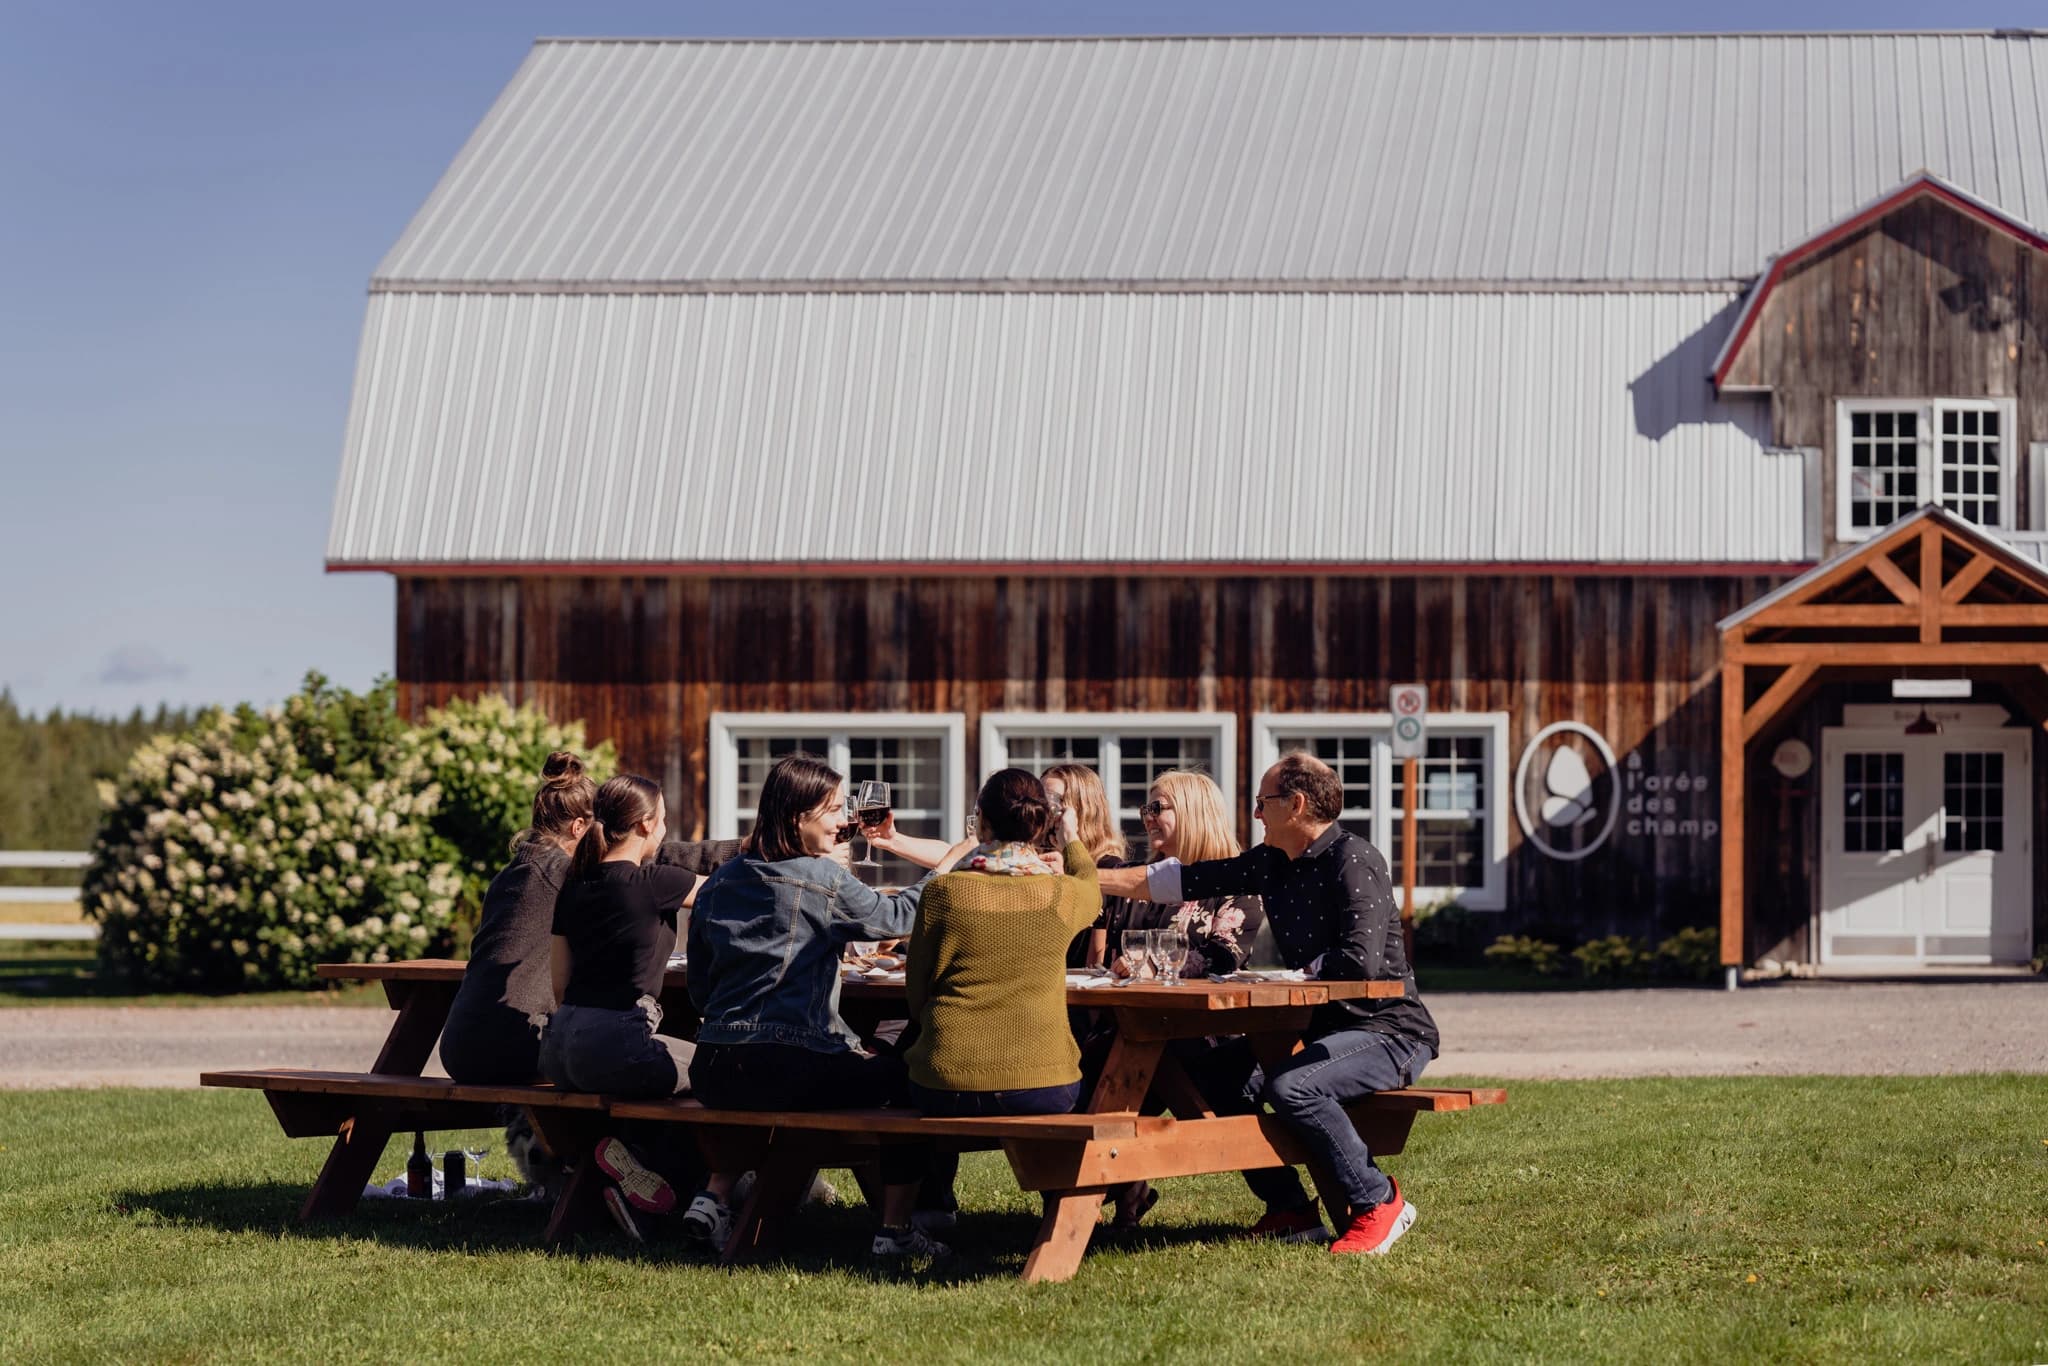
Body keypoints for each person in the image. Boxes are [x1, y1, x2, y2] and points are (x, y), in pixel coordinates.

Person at [1097, 751, 1440, 1257]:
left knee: (1291, 1086)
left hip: (1390, 1033)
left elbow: (1360, 962)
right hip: (1322, 1030)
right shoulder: (1271, 862)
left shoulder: (1354, 859)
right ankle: (1291, 1210)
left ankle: (1378, 1200)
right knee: (1206, 1069)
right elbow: (1176, 881)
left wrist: (1293, 975)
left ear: (1296, 805)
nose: (1256, 814)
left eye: (1263, 803)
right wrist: (1081, 881)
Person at [684, 754, 970, 1262]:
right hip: (789, 1068)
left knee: (861, 1063)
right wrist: (949, 866)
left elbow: (701, 992)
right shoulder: (821, 879)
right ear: (799, 816)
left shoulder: (721, 881)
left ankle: (715, 1195)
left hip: (716, 1068)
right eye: (835, 809)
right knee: (912, 1080)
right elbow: (899, 916)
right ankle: (898, 1227)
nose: (845, 822)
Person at [441, 751, 739, 1088]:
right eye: (602, 828)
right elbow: (644, 861)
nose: (608, 836)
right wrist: (739, 850)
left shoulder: (513, 874)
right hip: (514, 1047)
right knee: (654, 1054)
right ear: (581, 827)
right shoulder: (562, 873)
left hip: (460, 1047)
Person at [539, 772, 710, 1238]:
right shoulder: (656, 881)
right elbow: (734, 894)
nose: (665, 831)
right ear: (645, 825)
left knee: (660, 1083)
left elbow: (558, 984)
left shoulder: (574, 885)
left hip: (560, 1048)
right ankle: (685, 1190)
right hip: (616, 1044)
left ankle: (634, 1171)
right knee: (722, 1072)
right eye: (664, 822)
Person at [903, 768, 1102, 1117]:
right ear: (1041, 825)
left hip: (945, 1082)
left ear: (981, 819)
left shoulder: (944, 892)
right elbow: (1090, 884)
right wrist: (1070, 838)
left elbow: (916, 992)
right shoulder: (1062, 895)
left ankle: (912, 1175)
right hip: (1044, 1083)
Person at [1040, 763, 1127, 967]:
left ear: (1081, 810)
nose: (1045, 810)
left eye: (1054, 801)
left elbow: (1099, 955)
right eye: (1040, 800)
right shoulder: (1039, 860)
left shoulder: (1111, 868)